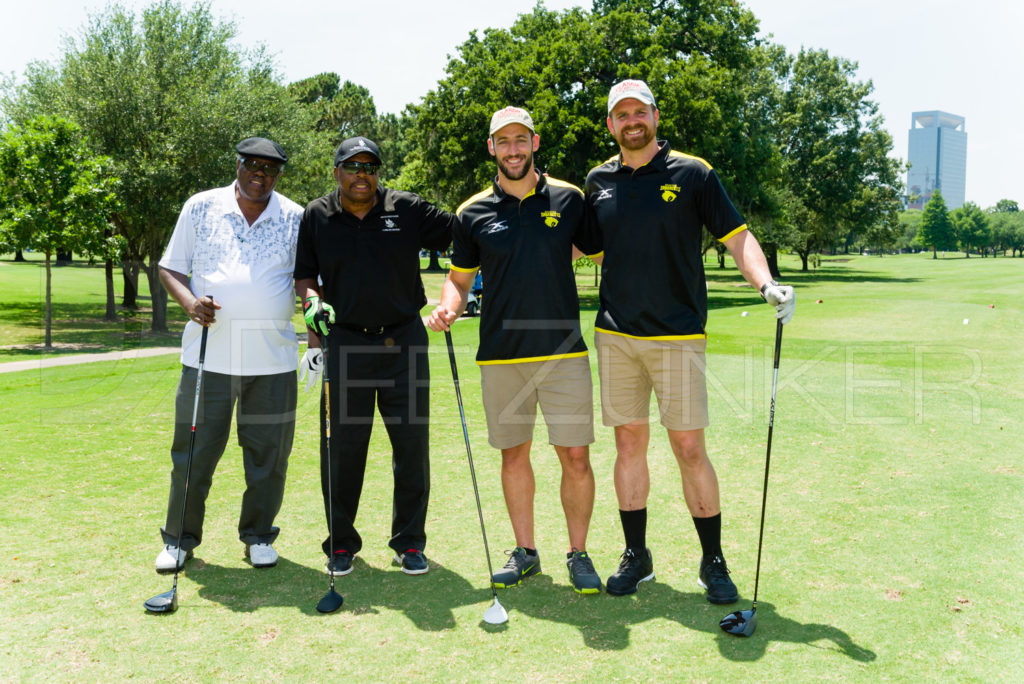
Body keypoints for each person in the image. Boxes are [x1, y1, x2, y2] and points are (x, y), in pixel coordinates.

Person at [585, 80, 795, 603]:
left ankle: (713, 560)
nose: (631, 121)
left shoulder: (693, 172)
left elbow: (737, 236)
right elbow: (576, 246)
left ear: (655, 116)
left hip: (678, 335)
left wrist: (766, 283)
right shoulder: (598, 181)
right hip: (615, 336)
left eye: (640, 112)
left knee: (688, 447)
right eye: (621, 114)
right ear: (611, 125)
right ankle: (638, 555)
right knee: (628, 443)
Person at [426, 107, 605, 594]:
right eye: (503, 141)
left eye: (520, 139)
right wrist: (446, 307)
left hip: (563, 351)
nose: (512, 149)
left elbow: (604, 252)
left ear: (535, 142)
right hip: (501, 355)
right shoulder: (472, 213)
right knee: (513, 456)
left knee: (575, 456)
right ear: (491, 148)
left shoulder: (569, 199)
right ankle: (526, 552)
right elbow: (458, 280)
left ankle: (579, 553)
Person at [294, 136, 456, 576]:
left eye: (369, 167)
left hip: (403, 342)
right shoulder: (317, 215)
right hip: (345, 344)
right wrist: (311, 308)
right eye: (352, 166)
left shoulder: (406, 207)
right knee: (342, 449)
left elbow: (462, 230)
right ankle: (341, 543)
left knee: (410, 446)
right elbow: (306, 276)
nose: (361, 174)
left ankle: (409, 541)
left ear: (378, 173)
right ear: (337, 172)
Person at [154, 136, 302, 573]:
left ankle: (258, 536)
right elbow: (170, 267)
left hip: (273, 362)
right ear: (236, 165)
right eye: (253, 164)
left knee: (269, 458)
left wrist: (315, 330)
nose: (261, 174)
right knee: (193, 454)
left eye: (271, 168)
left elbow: (306, 279)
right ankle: (179, 540)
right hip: (207, 359)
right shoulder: (200, 206)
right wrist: (189, 303)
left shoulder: (294, 216)